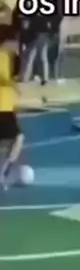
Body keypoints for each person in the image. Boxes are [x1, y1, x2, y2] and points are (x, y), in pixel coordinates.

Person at [0, 24, 25, 190]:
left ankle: (4, 172)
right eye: (14, 39)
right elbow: (5, 77)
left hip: (6, 105)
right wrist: (13, 86)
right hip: (3, 106)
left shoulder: (10, 56)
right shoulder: (6, 56)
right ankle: (4, 172)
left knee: (14, 139)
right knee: (17, 138)